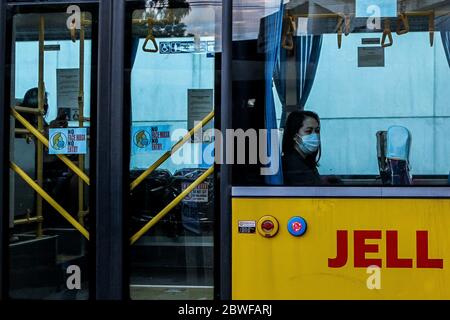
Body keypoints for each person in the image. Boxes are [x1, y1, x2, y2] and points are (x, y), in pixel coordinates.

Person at [282, 111, 322, 185]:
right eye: (308, 131)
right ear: (295, 136)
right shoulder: (293, 166)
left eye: (317, 130)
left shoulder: (305, 160)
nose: (315, 135)